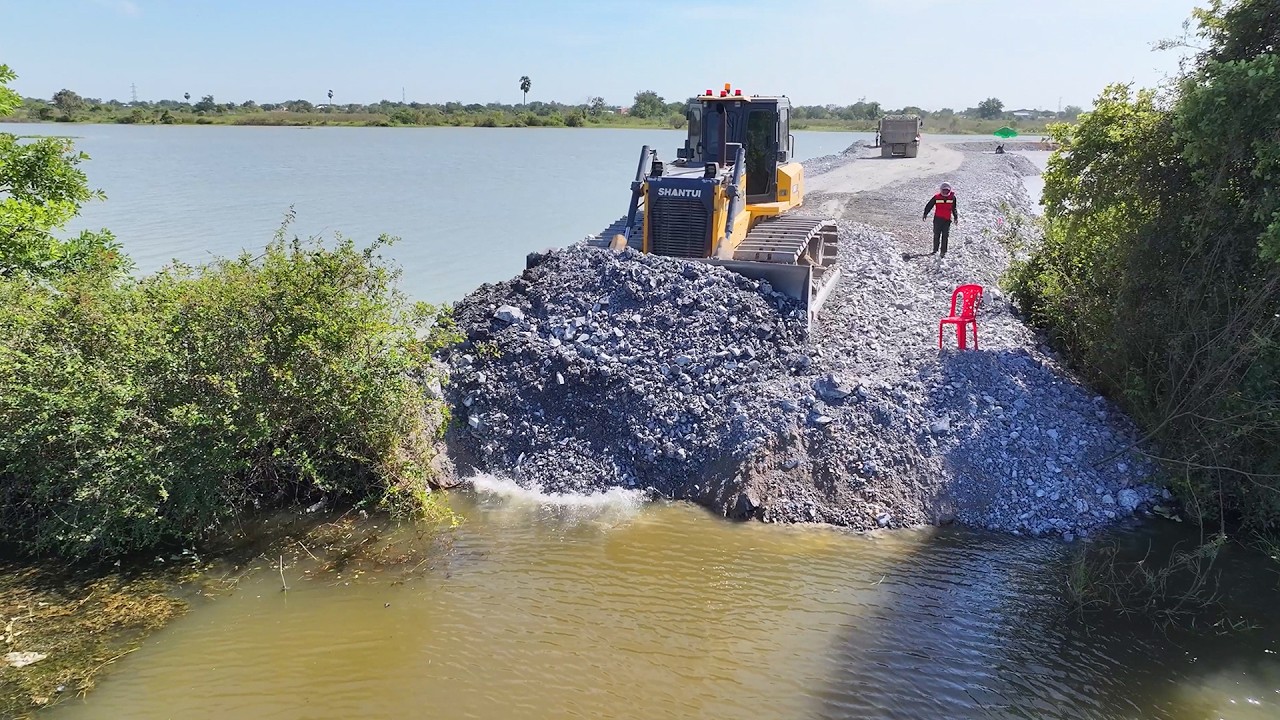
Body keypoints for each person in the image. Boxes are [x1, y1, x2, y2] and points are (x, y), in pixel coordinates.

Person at [923, 182, 959, 257]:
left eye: (947, 190)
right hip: (938, 219)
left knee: (945, 235)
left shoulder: (952, 198)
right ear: (941, 190)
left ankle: (943, 252)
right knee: (936, 234)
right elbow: (929, 205)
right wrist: (925, 213)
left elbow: (954, 208)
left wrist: (956, 217)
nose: (945, 192)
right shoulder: (936, 197)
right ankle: (935, 250)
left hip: (947, 220)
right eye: (944, 190)